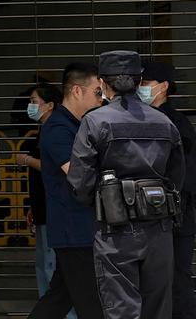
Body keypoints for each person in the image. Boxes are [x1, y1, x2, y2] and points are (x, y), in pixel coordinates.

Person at [67, 51, 184, 319]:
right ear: (139, 80)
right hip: (159, 226)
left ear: (104, 84)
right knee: (158, 308)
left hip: (115, 228)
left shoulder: (95, 121)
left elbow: (79, 182)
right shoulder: (163, 121)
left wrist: (99, 202)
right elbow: (177, 176)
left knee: (121, 308)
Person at [28, 63, 105, 319]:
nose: (101, 98)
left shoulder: (76, 124)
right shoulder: (59, 128)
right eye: (96, 91)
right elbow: (77, 172)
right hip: (74, 229)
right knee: (91, 303)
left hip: (80, 227)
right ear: (76, 90)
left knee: (59, 298)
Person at [140, 59, 196, 319]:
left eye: (145, 83)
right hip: (156, 216)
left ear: (163, 87)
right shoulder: (147, 118)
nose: (140, 88)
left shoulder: (175, 123)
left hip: (174, 216)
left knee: (176, 280)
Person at [16, 84, 60, 299]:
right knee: (43, 264)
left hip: (53, 209)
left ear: (50, 105)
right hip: (41, 207)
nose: (30, 106)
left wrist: (27, 160)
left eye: (34, 101)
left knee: (51, 264)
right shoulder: (43, 130)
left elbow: (54, 166)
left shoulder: (56, 130)